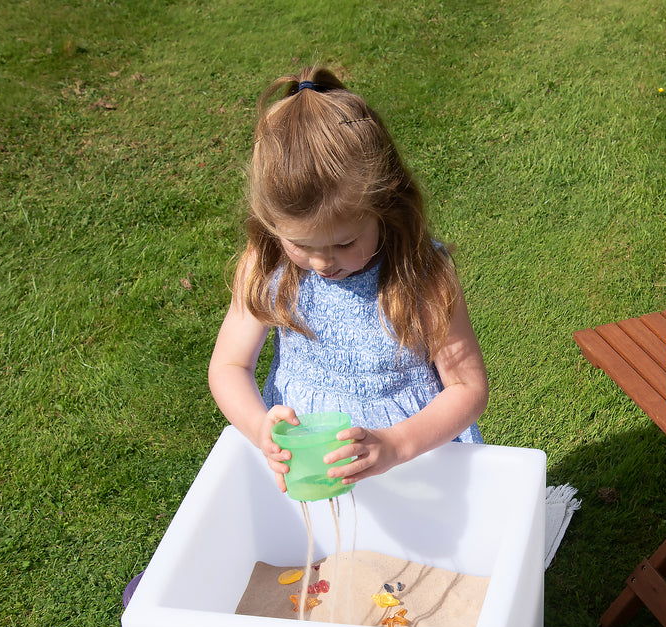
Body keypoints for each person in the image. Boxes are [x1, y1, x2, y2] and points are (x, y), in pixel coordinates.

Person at [209, 66, 488, 493]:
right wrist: (258, 427)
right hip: (310, 458)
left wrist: (395, 444)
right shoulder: (267, 265)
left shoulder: (419, 271)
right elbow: (230, 365)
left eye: (344, 243)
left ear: (385, 202)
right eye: (301, 244)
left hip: (412, 460)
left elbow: (468, 387)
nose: (322, 262)